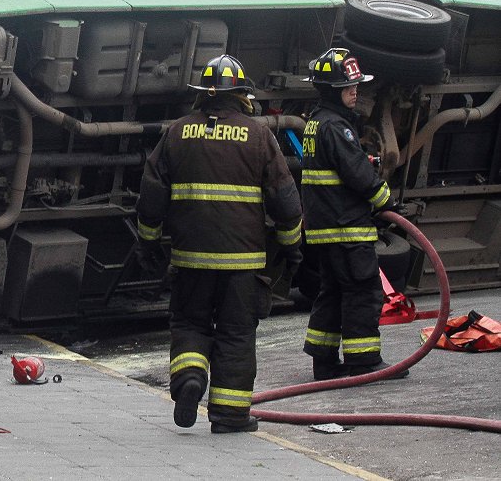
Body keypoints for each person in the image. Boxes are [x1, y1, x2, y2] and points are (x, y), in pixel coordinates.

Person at [137, 54, 303, 434]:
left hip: (190, 258)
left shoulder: (176, 133)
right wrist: (292, 246)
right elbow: (285, 199)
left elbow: (151, 197)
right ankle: (229, 415)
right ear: (242, 95)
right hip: (243, 262)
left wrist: (147, 244)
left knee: (191, 322)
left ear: (203, 95)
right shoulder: (259, 135)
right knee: (236, 333)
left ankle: (190, 378)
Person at [300, 48, 406, 381]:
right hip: (346, 228)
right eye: (349, 86)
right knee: (363, 291)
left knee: (332, 293)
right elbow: (360, 175)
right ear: (332, 89)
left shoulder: (316, 124)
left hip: (325, 229)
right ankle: (364, 361)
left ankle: (325, 361)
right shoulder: (337, 128)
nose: (355, 91)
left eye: (356, 85)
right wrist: (387, 203)